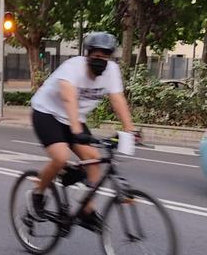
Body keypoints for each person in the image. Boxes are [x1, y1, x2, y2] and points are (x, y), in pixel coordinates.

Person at [28, 32, 137, 230]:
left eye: (105, 57)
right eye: (96, 56)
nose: (101, 60)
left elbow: (117, 99)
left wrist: (130, 130)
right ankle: (38, 193)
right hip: (47, 113)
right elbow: (69, 98)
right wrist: (77, 131)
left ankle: (87, 210)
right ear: (87, 55)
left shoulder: (112, 71)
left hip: (74, 118)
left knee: (94, 158)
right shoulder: (73, 68)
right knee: (60, 157)